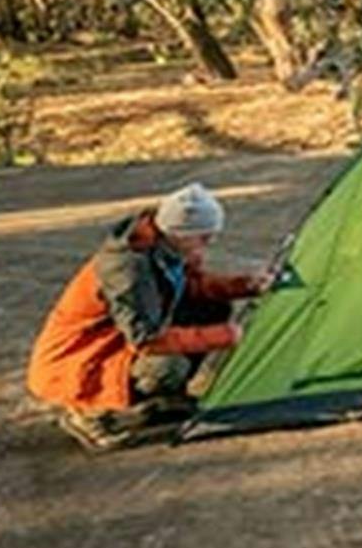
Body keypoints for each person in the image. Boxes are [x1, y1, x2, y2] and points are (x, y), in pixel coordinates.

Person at [27, 183, 272, 449]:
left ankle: (167, 397)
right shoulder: (128, 270)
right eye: (203, 236)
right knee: (166, 366)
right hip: (78, 362)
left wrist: (245, 285)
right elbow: (147, 340)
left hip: (117, 342)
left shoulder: (167, 246)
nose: (209, 242)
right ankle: (90, 414)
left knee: (213, 307)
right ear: (178, 232)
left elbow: (191, 286)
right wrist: (226, 336)